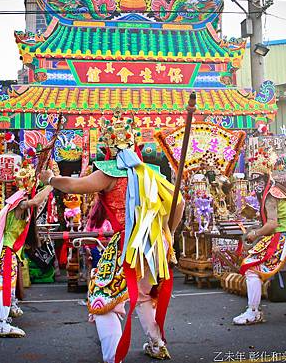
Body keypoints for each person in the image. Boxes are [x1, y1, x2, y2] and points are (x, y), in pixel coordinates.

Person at [40, 112, 184, 363]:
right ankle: (157, 344)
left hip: (128, 243)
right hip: (153, 244)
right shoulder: (150, 173)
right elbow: (179, 202)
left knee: (102, 297)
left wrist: (50, 179)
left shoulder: (110, 172)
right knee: (143, 296)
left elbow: (74, 186)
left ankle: (112, 357)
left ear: (108, 148)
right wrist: (167, 233)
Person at [233, 151, 286, 325]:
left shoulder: (271, 194)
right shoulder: (280, 188)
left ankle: (253, 312)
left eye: (258, 181)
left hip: (281, 237)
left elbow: (272, 224)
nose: (255, 185)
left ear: (265, 179)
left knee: (251, 269)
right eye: (253, 182)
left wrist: (254, 233)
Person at [0, 161, 52, 337]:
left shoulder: (18, 197)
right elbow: (36, 201)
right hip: (6, 247)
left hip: (9, 247)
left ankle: (8, 312)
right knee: (4, 283)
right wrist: (50, 185)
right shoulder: (20, 200)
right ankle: (1, 324)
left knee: (7, 283)